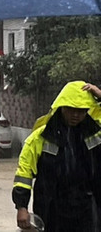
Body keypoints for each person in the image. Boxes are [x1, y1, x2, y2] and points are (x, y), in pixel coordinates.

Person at [12, 80, 101, 231]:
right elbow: (24, 173)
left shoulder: (96, 134)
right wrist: (22, 207)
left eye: (81, 111)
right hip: (51, 209)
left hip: (89, 208)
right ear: (61, 107)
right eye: (70, 109)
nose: (75, 115)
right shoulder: (39, 138)